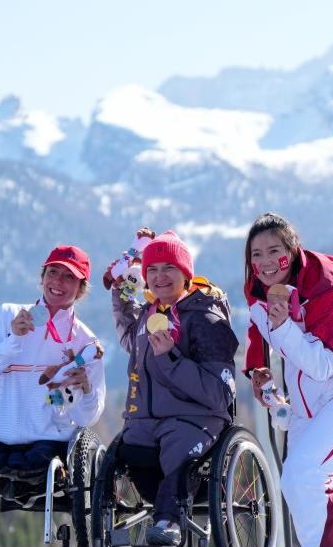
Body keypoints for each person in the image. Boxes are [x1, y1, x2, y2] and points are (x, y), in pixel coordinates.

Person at [243, 213, 333, 547]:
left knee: (304, 474)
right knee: (297, 484)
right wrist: (257, 368)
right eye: (256, 254)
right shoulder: (259, 291)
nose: (265, 262)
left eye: (273, 250)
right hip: (306, 404)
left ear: (293, 251)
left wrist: (284, 328)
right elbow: (256, 326)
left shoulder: (328, 294)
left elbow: (323, 366)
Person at [105, 230, 238, 546]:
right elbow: (128, 332)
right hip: (148, 422)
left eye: (169, 268)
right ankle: (134, 520)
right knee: (126, 450)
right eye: (152, 269)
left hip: (196, 419)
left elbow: (221, 394)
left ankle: (168, 522)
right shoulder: (150, 316)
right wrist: (119, 290)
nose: (159, 277)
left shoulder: (206, 318)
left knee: (178, 452)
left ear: (185, 273)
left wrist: (171, 359)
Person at [0, 244, 106, 490]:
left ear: (81, 290)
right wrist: (12, 341)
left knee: (34, 467)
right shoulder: (7, 315)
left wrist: (85, 389)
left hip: (47, 440)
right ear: (42, 278)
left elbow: (88, 417)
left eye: (69, 277)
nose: (58, 282)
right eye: (53, 272)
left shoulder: (85, 342)